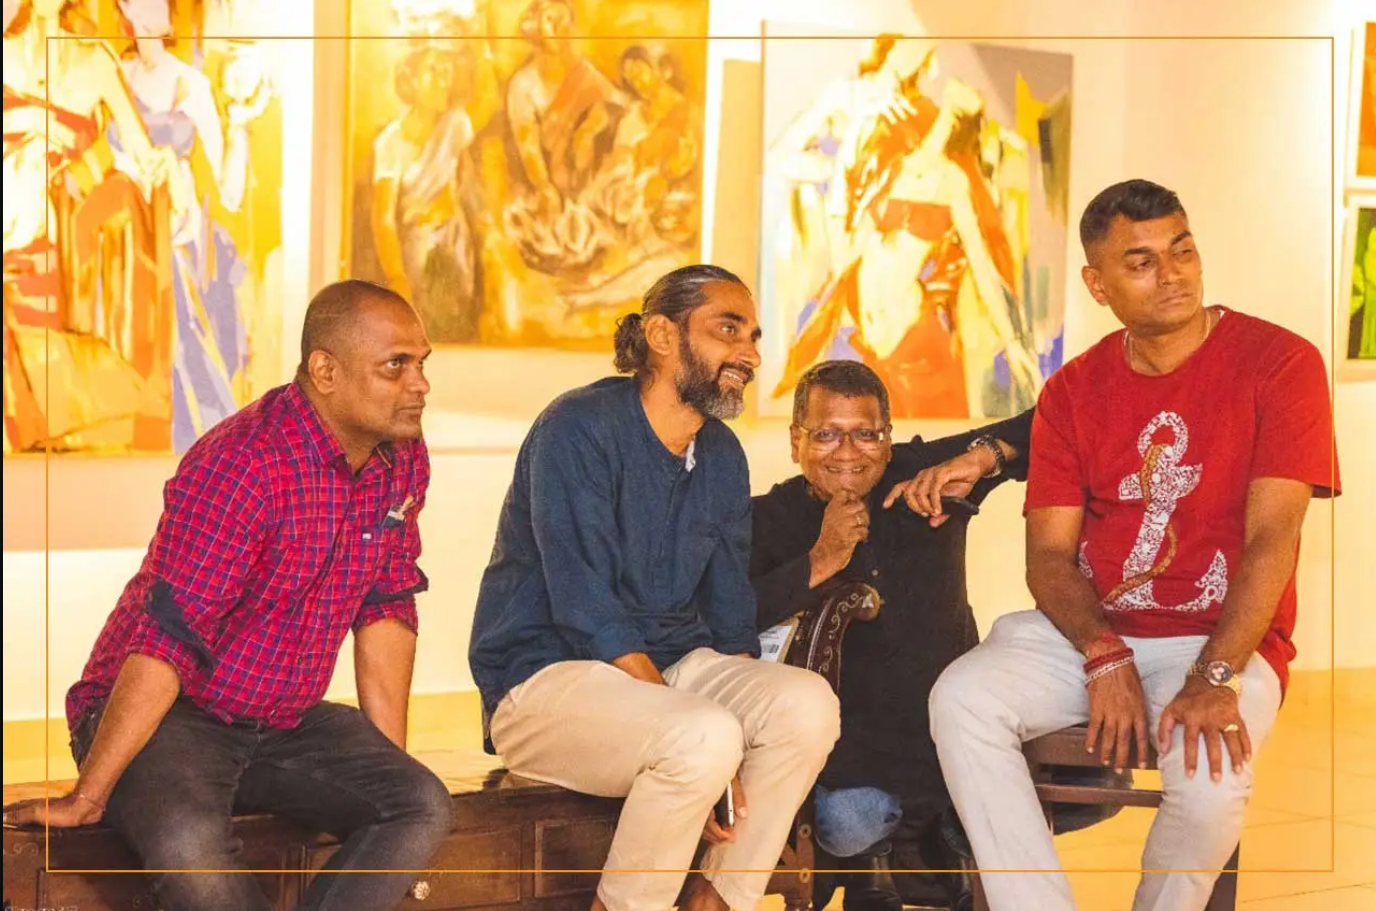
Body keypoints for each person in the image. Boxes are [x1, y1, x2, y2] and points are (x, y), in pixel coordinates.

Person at [928, 179, 1342, 911]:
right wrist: (1102, 650)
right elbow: (1047, 557)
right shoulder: (1073, 391)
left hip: (1219, 639)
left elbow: (1272, 538)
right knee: (963, 697)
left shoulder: (1280, 363)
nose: (1173, 274)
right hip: (1090, 634)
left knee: (1211, 786)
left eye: (1182, 249)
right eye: (1142, 261)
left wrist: (1215, 674)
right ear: (1098, 284)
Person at [2, 280, 455, 911]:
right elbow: (170, 635)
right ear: (325, 371)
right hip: (172, 713)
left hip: (285, 720)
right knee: (192, 850)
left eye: (422, 363)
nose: (420, 384)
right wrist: (89, 795)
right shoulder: (243, 463)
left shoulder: (401, 457)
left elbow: (386, 602)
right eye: (396, 365)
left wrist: (384, 766)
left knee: (418, 803)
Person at [469, 264, 841, 911]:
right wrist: (717, 750)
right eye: (728, 330)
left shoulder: (721, 454)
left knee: (806, 704)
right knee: (702, 735)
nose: (750, 355)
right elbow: (586, 606)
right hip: (543, 679)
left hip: (670, 674)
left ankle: (715, 899)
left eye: (753, 337)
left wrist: (746, 716)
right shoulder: (577, 427)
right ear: (663, 335)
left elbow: (729, 613)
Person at [751, 359, 1032, 911]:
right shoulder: (767, 518)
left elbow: (1051, 422)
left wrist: (982, 459)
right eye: (826, 434)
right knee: (849, 822)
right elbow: (730, 617)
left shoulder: (925, 471)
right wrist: (821, 560)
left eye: (866, 434)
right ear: (795, 441)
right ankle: (877, 855)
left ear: (888, 436)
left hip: (946, 735)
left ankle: (933, 844)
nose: (848, 453)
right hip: (850, 754)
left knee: (1032, 796)